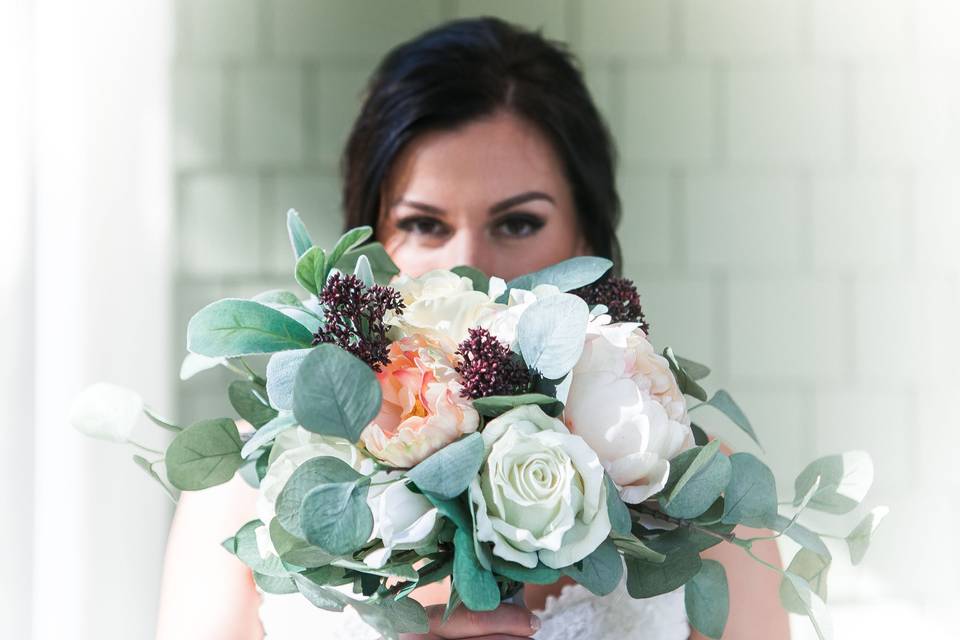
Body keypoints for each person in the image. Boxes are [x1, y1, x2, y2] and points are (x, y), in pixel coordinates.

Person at [156, 17, 790, 640]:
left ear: (586, 240)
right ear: (370, 247)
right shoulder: (255, 481)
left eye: (517, 224)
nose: (469, 266)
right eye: (426, 224)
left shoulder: (700, 495)